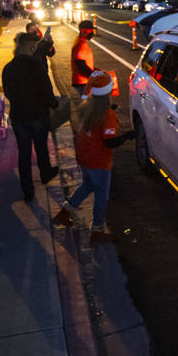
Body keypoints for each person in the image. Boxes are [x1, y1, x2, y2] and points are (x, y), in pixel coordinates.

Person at [53, 71, 134, 244]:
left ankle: (65, 212)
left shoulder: (89, 106)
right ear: (108, 91)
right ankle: (97, 230)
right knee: (102, 195)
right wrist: (128, 136)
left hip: (84, 154)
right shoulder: (107, 115)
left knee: (88, 184)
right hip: (98, 160)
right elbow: (109, 143)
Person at [0, 32, 59, 201]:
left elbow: (8, 93)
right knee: (41, 147)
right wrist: (55, 105)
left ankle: (27, 190)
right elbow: (47, 92)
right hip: (37, 114)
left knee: (24, 153)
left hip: (18, 116)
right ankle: (45, 173)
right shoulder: (36, 67)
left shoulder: (8, 68)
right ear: (31, 47)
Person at [70, 20, 96, 98]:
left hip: (84, 81)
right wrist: (94, 75)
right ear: (83, 31)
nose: (92, 33)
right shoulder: (80, 44)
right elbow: (80, 64)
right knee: (88, 106)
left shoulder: (81, 41)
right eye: (90, 30)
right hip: (82, 82)